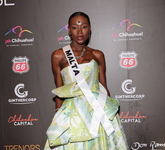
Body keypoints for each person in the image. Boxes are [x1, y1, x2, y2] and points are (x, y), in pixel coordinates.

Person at [44, 11, 129, 150]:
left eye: (84, 26)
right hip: (73, 114)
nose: (79, 31)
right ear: (69, 30)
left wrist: (110, 114)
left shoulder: (97, 54)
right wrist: (58, 116)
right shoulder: (58, 55)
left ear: (90, 29)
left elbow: (104, 88)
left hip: (97, 111)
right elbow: (59, 91)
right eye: (74, 27)